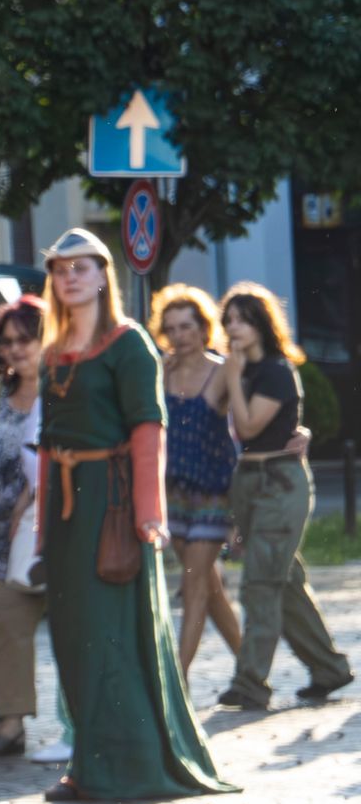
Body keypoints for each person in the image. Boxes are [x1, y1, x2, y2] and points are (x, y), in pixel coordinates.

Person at [33, 230, 231, 801]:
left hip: (113, 505)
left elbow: (148, 431)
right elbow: (48, 447)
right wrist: (46, 529)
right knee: (72, 637)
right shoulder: (52, 352)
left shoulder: (129, 344)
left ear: (102, 275)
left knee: (111, 634)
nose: (69, 277)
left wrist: (150, 515)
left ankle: (133, 762)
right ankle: (88, 762)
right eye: (60, 269)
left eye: (81, 267)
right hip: (68, 510)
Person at [215, 283, 352, 710]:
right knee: (284, 584)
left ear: (260, 322)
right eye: (228, 320)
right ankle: (329, 669)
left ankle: (251, 683)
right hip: (251, 482)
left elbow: (250, 427)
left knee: (259, 585)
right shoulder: (244, 370)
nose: (233, 327)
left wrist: (233, 378)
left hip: (280, 482)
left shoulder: (274, 370)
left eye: (241, 318)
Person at [151, 285, 243, 674]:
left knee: (193, 584)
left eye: (187, 326)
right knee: (209, 587)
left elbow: (245, 423)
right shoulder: (161, 370)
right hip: (172, 494)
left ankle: (179, 679)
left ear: (204, 327)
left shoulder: (223, 369)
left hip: (213, 492)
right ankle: (250, 670)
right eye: (171, 328)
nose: (179, 336)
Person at [0, 298, 47, 758]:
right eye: (7, 341)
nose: (16, 350)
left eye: (26, 339)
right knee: (7, 626)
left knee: (69, 629)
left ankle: (76, 722)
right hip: (4, 529)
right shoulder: (2, 392)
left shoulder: (62, 391)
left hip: (49, 523)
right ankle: (10, 721)